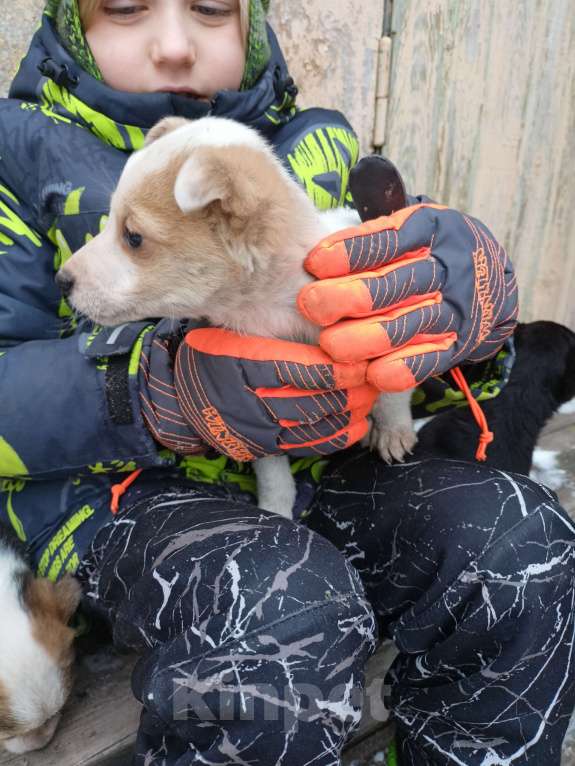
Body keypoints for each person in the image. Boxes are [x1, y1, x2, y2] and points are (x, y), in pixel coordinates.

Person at [0, 1, 573, 764]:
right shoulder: (16, 157)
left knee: (516, 536)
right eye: (126, 7)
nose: (174, 45)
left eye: (211, 9)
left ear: (253, 24)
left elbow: (413, 371)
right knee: (279, 602)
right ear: (71, 20)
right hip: (119, 501)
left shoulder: (319, 150)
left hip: (322, 471)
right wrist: (142, 391)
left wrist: (466, 316)